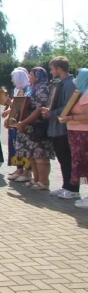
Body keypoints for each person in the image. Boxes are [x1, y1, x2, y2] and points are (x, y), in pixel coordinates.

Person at [41, 56, 79, 199]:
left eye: (52, 69)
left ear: (59, 68)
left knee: (67, 158)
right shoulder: (59, 83)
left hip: (64, 128)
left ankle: (73, 188)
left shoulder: (70, 84)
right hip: (56, 126)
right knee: (62, 159)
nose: (51, 72)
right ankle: (65, 186)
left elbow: (69, 107)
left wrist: (52, 113)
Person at [15, 67, 54, 190]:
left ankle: (43, 182)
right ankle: (36, 179)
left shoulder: (43, 89)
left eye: (31, 75)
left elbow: (39, 109)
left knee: (40, 156)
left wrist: (24, 122)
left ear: (38, 76)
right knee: (32, 155)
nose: (30, 77)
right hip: (28, 128)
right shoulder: (31, 88)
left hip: (38, 127)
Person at [59, 68, 88, 207]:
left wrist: (70, 117)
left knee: (85, 164)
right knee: (81, 165)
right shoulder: (81, 92)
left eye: (78, 76)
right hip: (76, 134)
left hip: (83, 135)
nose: (75, 79)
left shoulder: (87, 94)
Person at [5, 68, 31, 182]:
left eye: (13, 78)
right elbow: (14, 106)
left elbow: (21, 106)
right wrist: (8, 114)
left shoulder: (27, 90)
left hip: (22, 123)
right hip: (14, 122)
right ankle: (19, 168)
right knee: (15, 146)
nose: (12, 80)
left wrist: (9, 104)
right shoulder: (17, 90)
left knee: (24, 148)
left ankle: (27, 171)